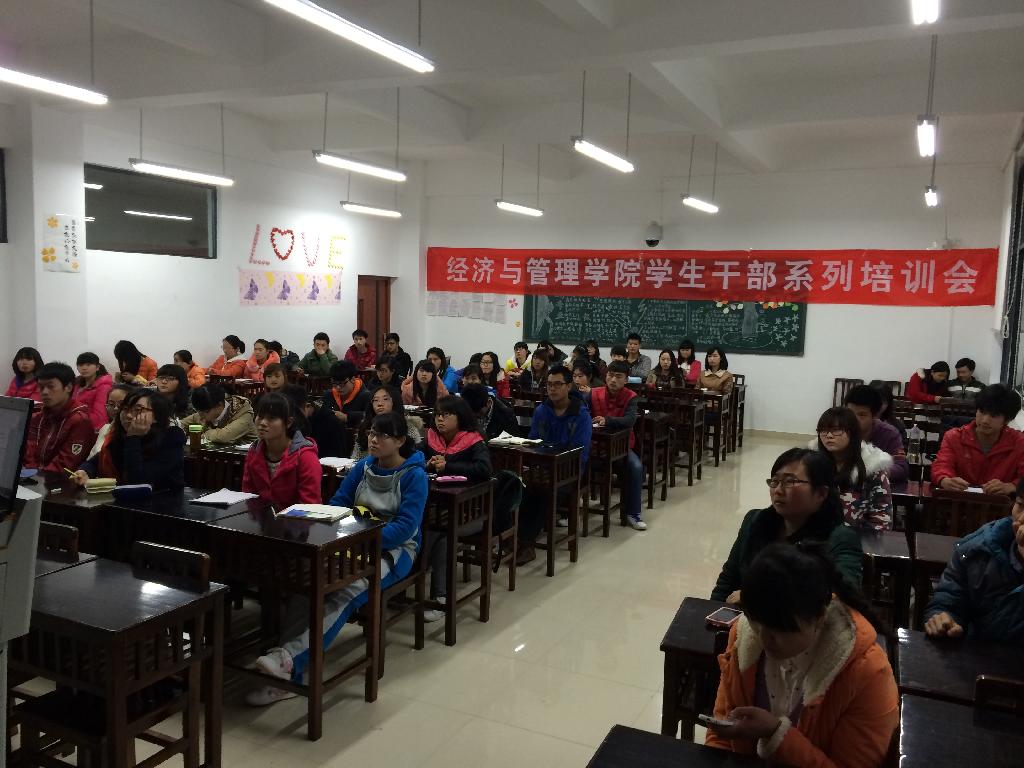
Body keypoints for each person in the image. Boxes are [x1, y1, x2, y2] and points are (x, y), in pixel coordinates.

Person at [246, 412, 427, 706]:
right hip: (352, 543)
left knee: (349, 588)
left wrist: (361, 540)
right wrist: (334, 527)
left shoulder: (414, 475)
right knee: (309, 584)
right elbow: (339, 502)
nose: (373, 440)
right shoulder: (364, 467)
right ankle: (286, 670)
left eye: (382, 435)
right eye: (371, 433)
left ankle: (288, 658)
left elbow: (406, 526)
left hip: (393, 551)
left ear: (400, 441)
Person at [705, 543, 898, 767]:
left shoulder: (867, 673)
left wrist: (776, 734)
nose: (765, 638)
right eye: (756, 620)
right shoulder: (744, 636)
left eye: (781, 629)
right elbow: (721, 734)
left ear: (820, 618)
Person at [711, 448, 863, 603]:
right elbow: (727, 582)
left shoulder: (840, 538)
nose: (778, 490)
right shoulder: (755, 521)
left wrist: (756, 596)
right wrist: (712, 610)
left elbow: (841, 598)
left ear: (821, 493)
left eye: (790, 482)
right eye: (774, 481)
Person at [924, 478, 1024, 643]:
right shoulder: (978, 549)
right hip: (978, 655)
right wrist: (944, 619)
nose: (1021, 519)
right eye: (1020, 505)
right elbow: (948, 601)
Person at [420, 396, 492, 619]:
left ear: (460, 417)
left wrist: (448, 466)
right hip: (437, 507)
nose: (440, 419)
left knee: (440, 534)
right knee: (422, 525)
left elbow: (484, 469)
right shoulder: (432, 438)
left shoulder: (473, 440)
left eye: (446, 415)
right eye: (437, 415)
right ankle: (410, 582)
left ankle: (440, 597)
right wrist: (426, 463)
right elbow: (413, 457)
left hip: (470, 511)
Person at [519, 365, 592, 555]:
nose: (552, 388)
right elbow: (533, 441)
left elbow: (581, 453)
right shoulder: (542, 411)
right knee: (518, 487)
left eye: (557, 384)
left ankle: (526, 544)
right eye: (549, 384)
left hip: (570, 470)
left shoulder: (581, 415)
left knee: (543, 492)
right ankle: (513, 539)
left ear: (568, 386)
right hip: (542, 467)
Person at [73, 390, 185, 490]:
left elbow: (137, 482)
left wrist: (133, 437)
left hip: (163, 501)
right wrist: (85, 471)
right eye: (125, 409)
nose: (129, 415)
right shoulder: (119, 434)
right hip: (122, 500)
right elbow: (96, 461)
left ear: (157, 416)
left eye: (138, 410)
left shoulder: (172, 437)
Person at [931, 384, 1024, 495]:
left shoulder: (1019, 442)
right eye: (982, 412)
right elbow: (942, 465)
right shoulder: (954, 437)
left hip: (998, 504)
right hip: (957, 501)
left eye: (994, 415)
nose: (985, 420)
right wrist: (945, 479)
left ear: (1008, 419)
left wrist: (1012, 486)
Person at [812, 407, 893, 531]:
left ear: (852, 433)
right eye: (823, 430)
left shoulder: (872, 468)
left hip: (857, 537)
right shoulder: (812, 463)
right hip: (816, 536)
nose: (829, 435)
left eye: (836, 430)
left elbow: (882, 520)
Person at [589, 360, 647, 530]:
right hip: (595, 445)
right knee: (573, 462)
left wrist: (607, 420)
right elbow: (581, 410)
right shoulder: (594, 393)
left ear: (626, 379)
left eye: (618, 376)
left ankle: (633, 513)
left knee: (636, 467)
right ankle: (566, 513)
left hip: (621, 446)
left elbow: (630, 420)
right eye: (610, 375)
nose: (613, 380)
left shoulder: (631, 396)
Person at [241, 393, 322, 511]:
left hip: (297, 520)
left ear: (288, 422)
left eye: (271, 418)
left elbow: (310, 506)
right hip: (261, 519)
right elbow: (248, 497)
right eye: (260, 416)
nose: (263, 423)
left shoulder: (305, 456)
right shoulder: (254, 451)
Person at [22, 362, 97, 473]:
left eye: (50, 386)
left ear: (68, 387)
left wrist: (33, 475)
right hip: (32, 477)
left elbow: (64, 466)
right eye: (41, 387)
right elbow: (28, 453)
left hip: (58, 481)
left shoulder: (80, 421)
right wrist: (29, 473)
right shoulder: (38, 416)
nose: (44, 392)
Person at [843, 385, 909, 490]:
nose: (854, 419)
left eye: (862, 415)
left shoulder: (890, 433)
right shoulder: (838, 430)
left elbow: (902, 468)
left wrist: (875, 472)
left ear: (875, 416)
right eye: (850, 413)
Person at [308, 361, 371, 457]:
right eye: (334, 383)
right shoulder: (329, 394)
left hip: (355, 442)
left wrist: (347, 417)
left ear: (352, 379)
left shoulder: (366, 395)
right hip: (332, 440)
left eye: (342, 384)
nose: (338, 387)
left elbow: (370, 416)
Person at [352, 386, 423, 461]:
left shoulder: (408, 427)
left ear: (395, 401)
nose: (380, 404)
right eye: (375, 400)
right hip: (365, 466)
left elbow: (415, 456)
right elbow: (356, 457)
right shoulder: (365, 427)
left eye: (385, 399)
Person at [180, 383, 258, 445]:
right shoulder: (205, 409)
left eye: (206, 411)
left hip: (244, 456)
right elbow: (181, 424)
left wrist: (204, 434)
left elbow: (224, 437)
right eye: (198, 411)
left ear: (219, 404)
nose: (201, 415)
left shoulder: (243, 412)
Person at [87, 384, 136, 460]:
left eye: (121, 404)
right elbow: (93, 459)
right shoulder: (105, 428)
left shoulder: (135, 433)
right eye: (111, 404)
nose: (116, 408)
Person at [73, 352, 113, 431]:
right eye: (80, 365)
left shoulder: (104, 387)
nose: (84, 368)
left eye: (88, 365)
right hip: (75, 425)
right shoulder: (76, 384)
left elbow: (99, 418)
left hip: (91, 430)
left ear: (97, 367)